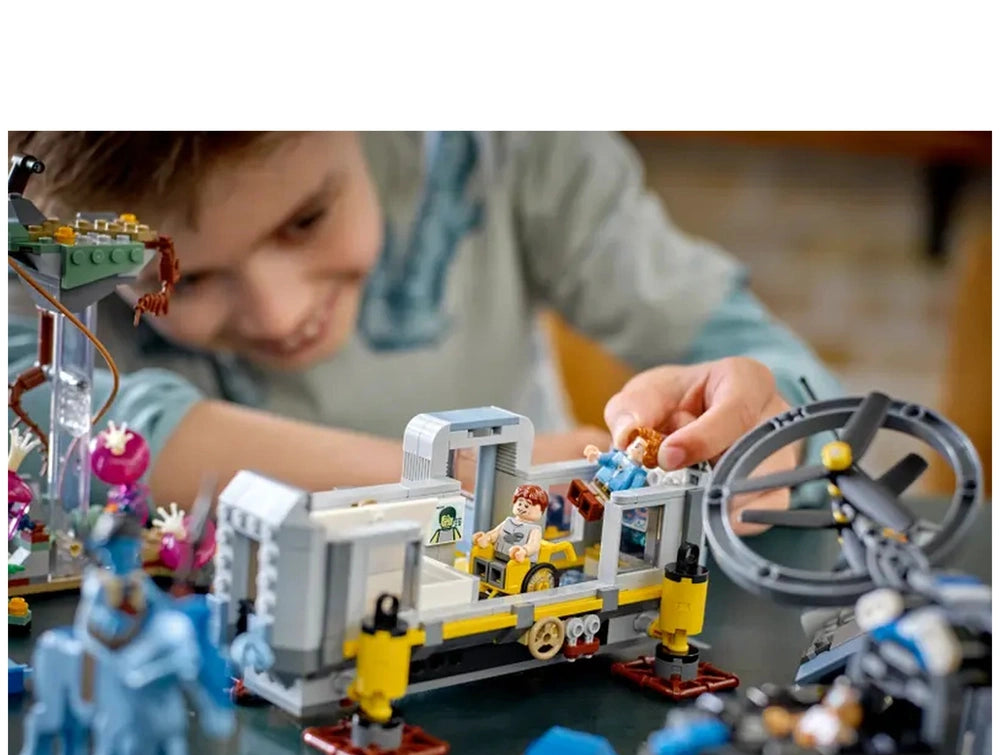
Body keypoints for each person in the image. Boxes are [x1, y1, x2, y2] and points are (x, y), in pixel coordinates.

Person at [7, 132, 841, 530]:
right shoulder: (32, 226)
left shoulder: (510, 143)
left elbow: (808, 394)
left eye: (306, 219)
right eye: (171, 278)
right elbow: (36, 417)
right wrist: (491, 486)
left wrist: (752, 426)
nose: (279, 312)